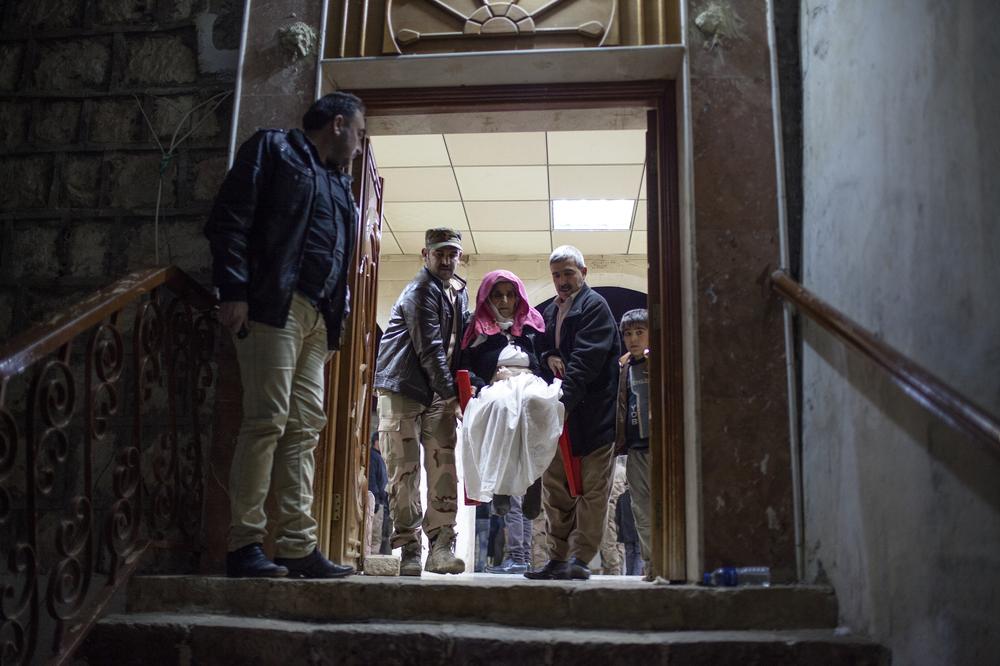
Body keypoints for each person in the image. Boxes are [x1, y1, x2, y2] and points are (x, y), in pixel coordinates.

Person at [205, 92, 366, 578]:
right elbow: (230, 219)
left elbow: (340, 260)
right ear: (338, 124)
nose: (359, 146)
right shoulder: (273, 148)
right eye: (359, 133)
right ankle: (244, 545)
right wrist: (233, 289)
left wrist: (334, 327)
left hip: (317, 319)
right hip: (274, 304)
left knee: (303, 429)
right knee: (266, 422)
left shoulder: (340, 184)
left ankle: (297, 546)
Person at [373, 227, 469, 576]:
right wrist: (452, 395)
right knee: (404, 472)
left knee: (445, 469)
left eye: (452, 254)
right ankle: (410, 549)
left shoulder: (458, 292)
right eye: (439, 253)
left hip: (438, 391)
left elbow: (458, 347)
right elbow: (430, 349)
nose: (446, 260)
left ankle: (441, 547)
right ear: (425, 255)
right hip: (403, 389)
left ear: (459, 257)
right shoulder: (420, 291)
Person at [526, 245, 620, 581]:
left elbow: (584, 363)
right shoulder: (553, 311)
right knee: (556, 491)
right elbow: (543, 349)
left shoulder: (595, 306)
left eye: (568, 273)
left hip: (593, 418)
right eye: (556, 275)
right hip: (561, 418)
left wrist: (560, 404)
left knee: (593, 492)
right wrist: (549, 355)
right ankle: (557, 559)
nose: (562, 281)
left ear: (584, 272)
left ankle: (580, 560)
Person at [459, 269, 547, 575]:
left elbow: (545, 360)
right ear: (488, 298)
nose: (505, 301)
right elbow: (465, 369)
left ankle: (533, 482)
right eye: (498, 295)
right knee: (501, 405)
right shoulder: (477, 332)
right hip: (497, 387)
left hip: (530, 385)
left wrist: (532, 373)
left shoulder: (532, 328)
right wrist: (488, 378)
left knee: (537, 403)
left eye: (510, 295)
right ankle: (501, 488)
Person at [615, 307, 654, 580]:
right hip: (635, 448)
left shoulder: (660, 363)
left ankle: (669, 560)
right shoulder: (624, 368)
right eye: (628, 334)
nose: (634, 339)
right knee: (641, 511)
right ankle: (652, 564)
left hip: (660, 447)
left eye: (640, 332)